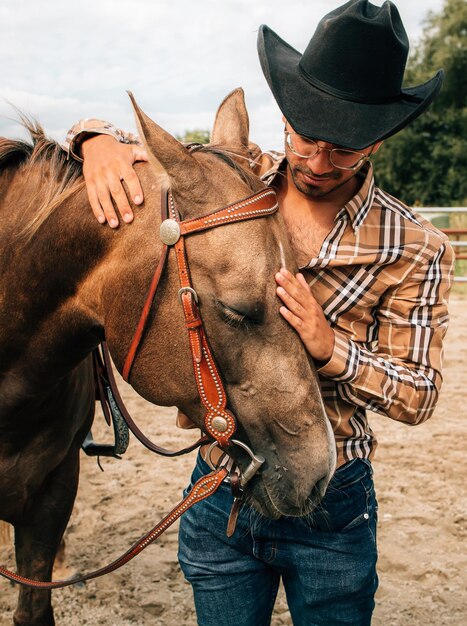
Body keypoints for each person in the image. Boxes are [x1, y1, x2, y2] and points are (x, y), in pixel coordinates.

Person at [62, 1, 454, 624]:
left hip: (332, 499)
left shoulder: (415, 247)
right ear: (285, 118)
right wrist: (93, 138)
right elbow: (149, 152)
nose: (318, 164)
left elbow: (421, 396)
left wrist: (332, 350)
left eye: (344, 150)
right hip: (220, 485)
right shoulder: (237, 186)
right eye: (306, 137)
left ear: (378, 139)